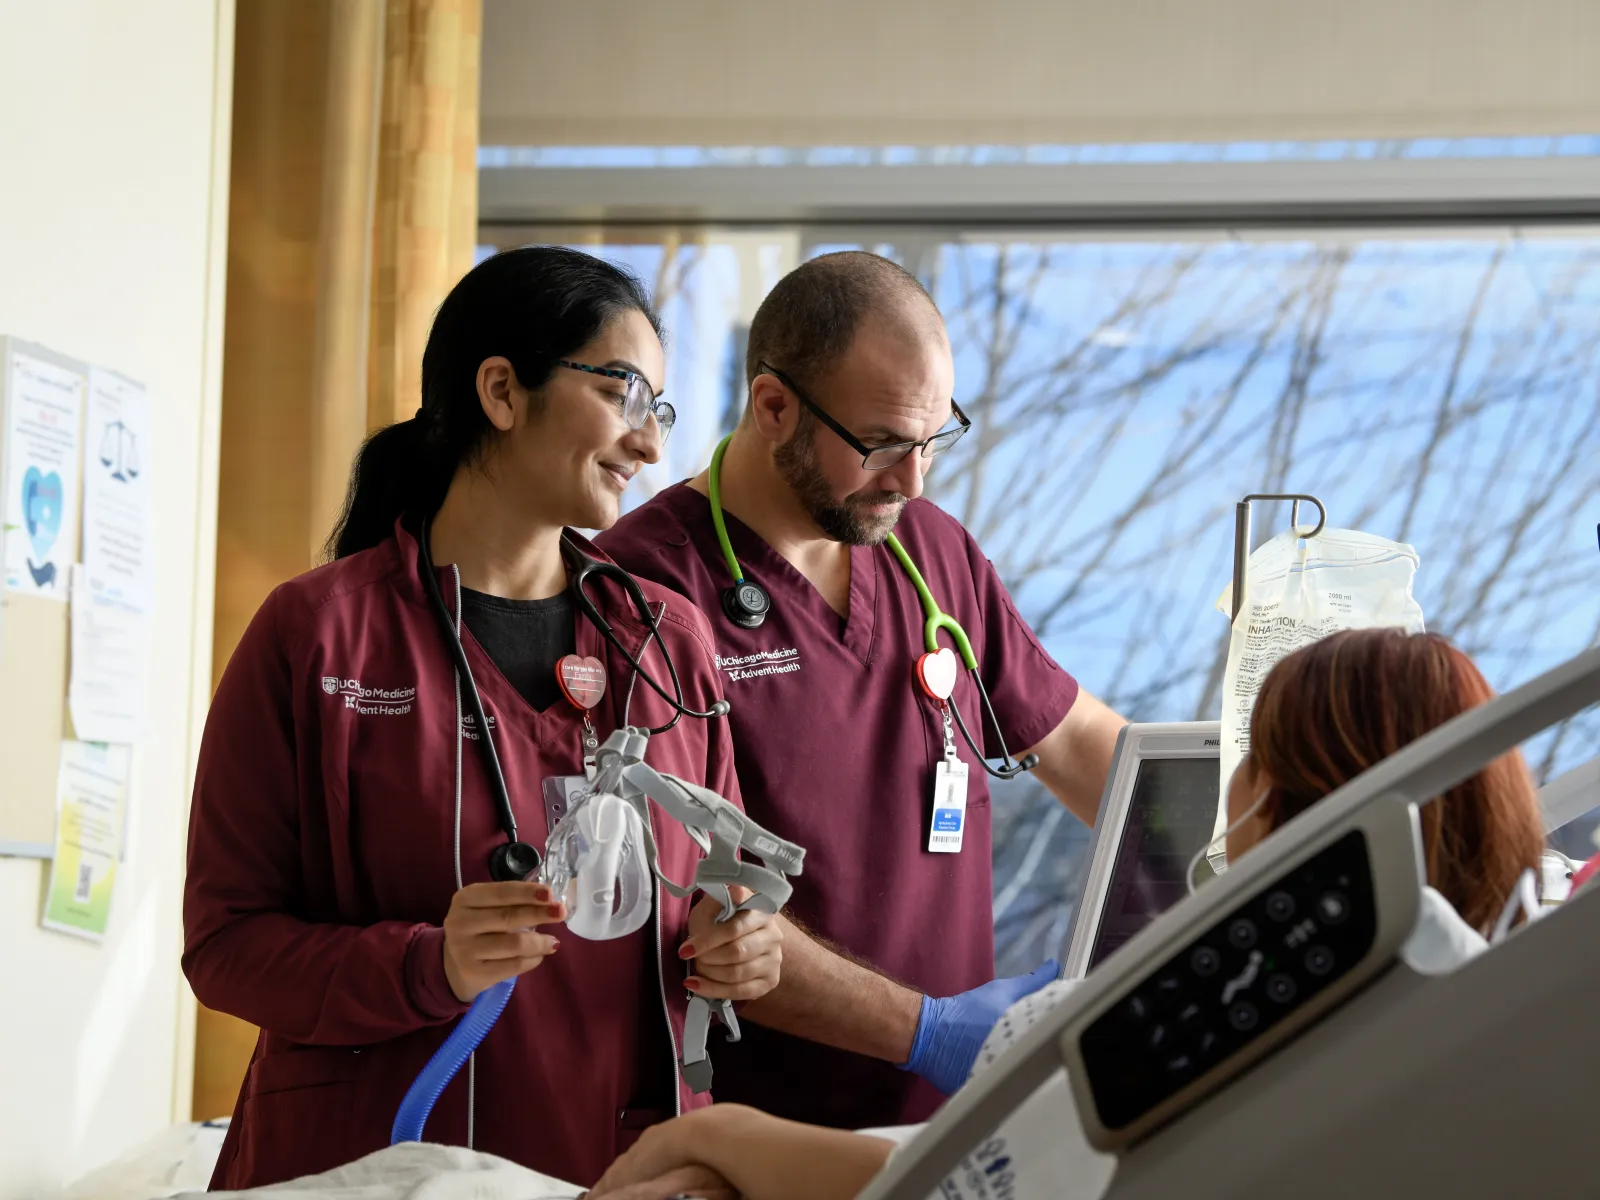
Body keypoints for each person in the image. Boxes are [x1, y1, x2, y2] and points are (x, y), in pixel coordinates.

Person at [181, 247, 785, 1190]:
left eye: (659, 410)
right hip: (376, 1167)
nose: (651, 445)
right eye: (625, 395)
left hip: (621, 1165)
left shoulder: (667, 643)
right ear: (502, 390)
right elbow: (226, 947)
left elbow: (726, 886)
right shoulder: (321, 636)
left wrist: (742, 942)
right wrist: (430, 965)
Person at [586, 627, 1552, 1200]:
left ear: (1296, 801)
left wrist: (714, 1135)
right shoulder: (1487, 1003)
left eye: (1250, 758)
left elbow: (950, 1181)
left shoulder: (1218, 1017)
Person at [596, 251, 1129, 1129]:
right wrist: (931, 1032)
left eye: (934, 439)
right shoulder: (638, 591)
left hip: (954, 1127)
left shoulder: (933, 553)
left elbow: (1077, 745)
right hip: (755, 1135)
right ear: (774, 407)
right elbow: (699, 913)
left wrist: (1241, 846)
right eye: (882, 443)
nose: (913, 481)